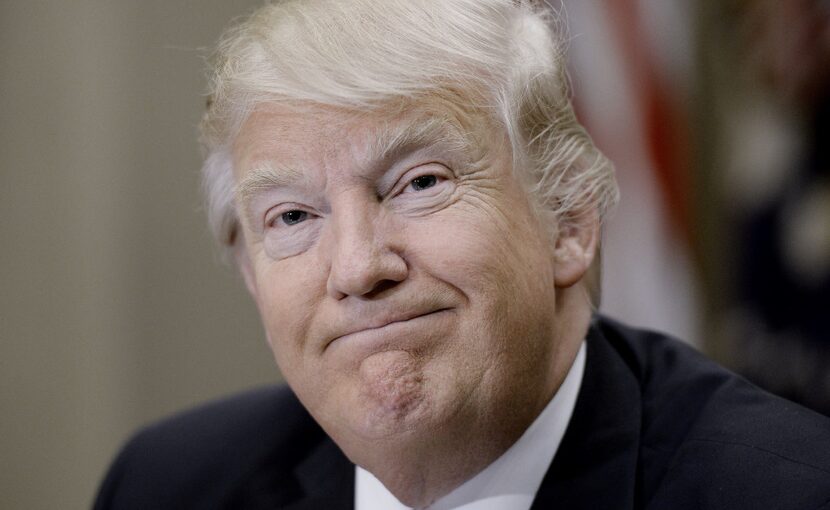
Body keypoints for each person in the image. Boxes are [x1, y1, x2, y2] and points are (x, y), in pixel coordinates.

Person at [94, 1, 830, 508]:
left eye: (419, 183)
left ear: (568, 220)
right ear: (251, 275)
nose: (357, 268)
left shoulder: (788, 493)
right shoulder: (169, 487)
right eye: (292, 216)